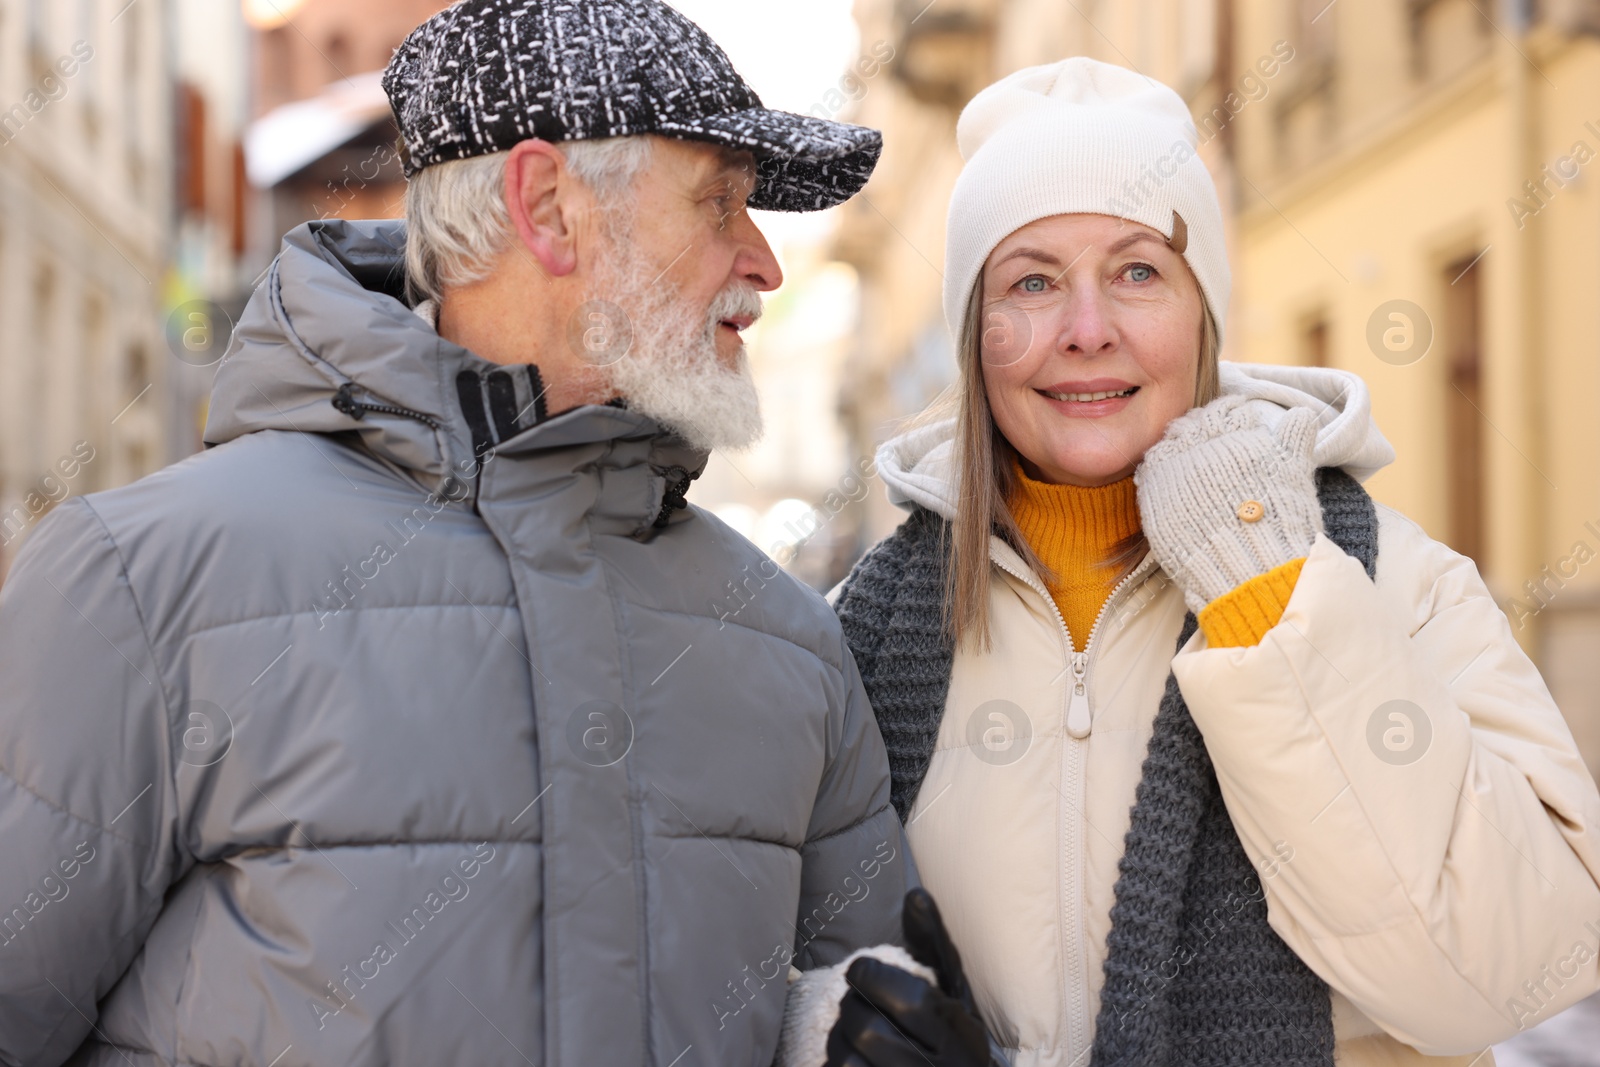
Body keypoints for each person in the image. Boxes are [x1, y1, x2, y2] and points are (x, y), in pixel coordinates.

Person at [0, 1, 912, 1063]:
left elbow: (860, 993)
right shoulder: (142, 584)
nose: (763, 263)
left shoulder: (789, 639)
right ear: (548, 206)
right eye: (719, 204)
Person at [805, 58, 1600, 1067]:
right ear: (975, 331)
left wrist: (1261, 587)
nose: (1087, 331)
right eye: (1032, 281)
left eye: (1139, 270)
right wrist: (837, 1027)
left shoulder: (1390, 580)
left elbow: (1510, 970)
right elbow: (772, 955)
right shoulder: (860, 634)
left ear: (1202, 313)